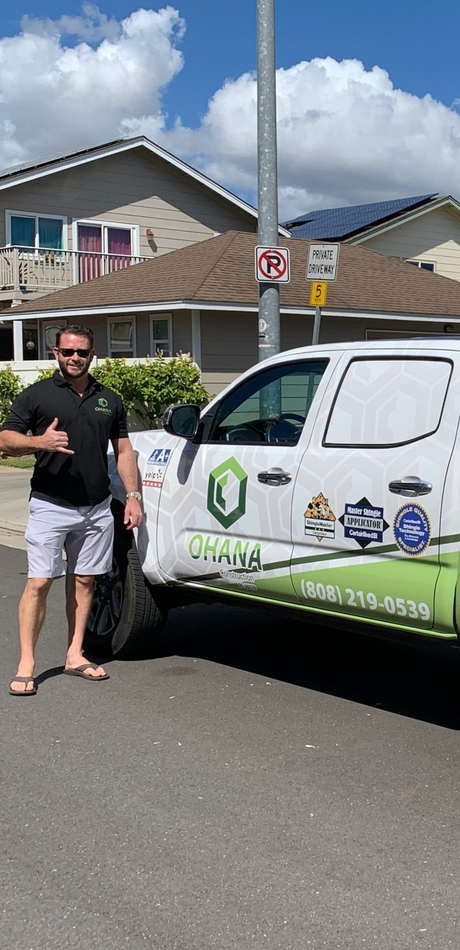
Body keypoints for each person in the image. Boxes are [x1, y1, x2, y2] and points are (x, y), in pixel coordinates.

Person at [0, 325, 143, 695]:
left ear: (92, 354)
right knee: (40, 581)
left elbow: (124, 450)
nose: (74, 358)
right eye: (67, 352)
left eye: (81, 352)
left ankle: (75, 654)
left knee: (85, 580)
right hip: (51, 503)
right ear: (56, 354)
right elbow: (6, 439)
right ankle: (27, 662)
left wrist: (133, 495)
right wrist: (39, 442)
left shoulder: (108, 398)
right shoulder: (37, 396)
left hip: (95, 507)